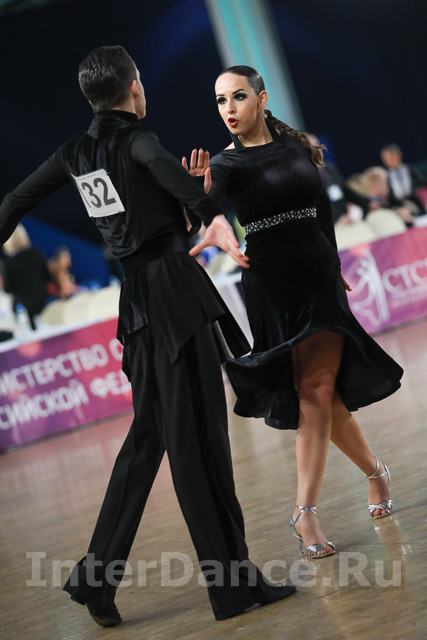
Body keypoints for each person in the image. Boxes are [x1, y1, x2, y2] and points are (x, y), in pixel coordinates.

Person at [0, 48, 296, 627]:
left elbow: (13, 204)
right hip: (175, 301)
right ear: (134, 88)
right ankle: (232, 588)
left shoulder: (73, 154)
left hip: (137, 304)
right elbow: (177, 189)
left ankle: (96, 579)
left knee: (150, 441)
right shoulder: (138, 140)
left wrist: (183, 201)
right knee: (201, 446)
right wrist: (208, 206)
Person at [183, 65, 403, 559]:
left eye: (238, 96)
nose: (229, 108)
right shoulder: (225, 164)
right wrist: (200, 201)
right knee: (319, 395)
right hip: (271, 287)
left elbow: (322, 211)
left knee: (317, 390)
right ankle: (375, 472)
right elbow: (202, 213)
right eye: (220, 101)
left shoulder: (297, 146)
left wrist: (335, 265)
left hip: (319, 278)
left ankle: (305, 512)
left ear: (261, 98)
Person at [2, 224, 51, 329]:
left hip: (25, 311)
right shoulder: (36, 253)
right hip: (44, 303)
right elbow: (48, 277)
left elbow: (8, 289)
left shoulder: (10, 264)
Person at [380, 143, 427, 214]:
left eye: (390, 157)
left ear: (398, 155)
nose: (387, 161)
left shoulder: (409, 169)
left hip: (415, 202)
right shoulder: (385, 176)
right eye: (385, 159)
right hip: (398, 206)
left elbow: (423, 182)